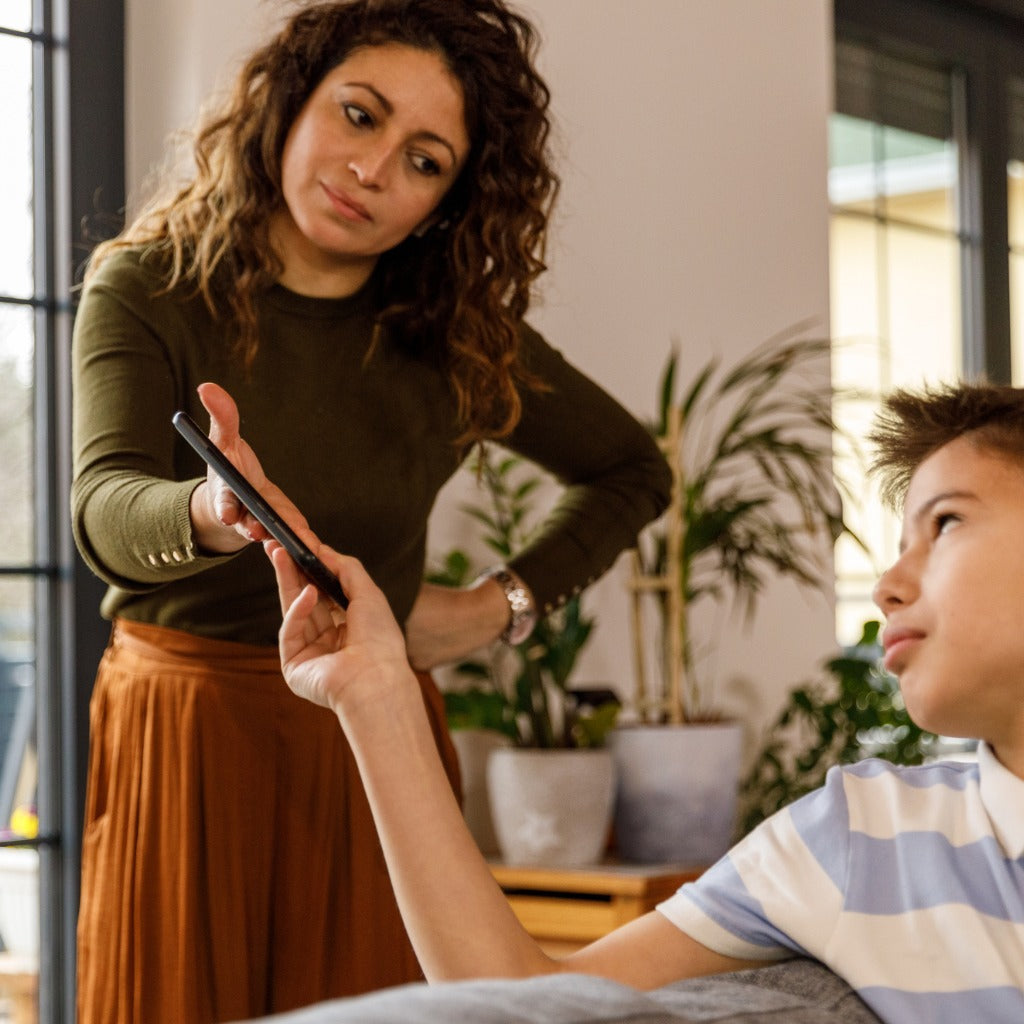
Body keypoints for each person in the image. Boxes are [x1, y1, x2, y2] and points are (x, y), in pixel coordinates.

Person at [69, 2, 672, 1021]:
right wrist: (214, 508)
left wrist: (499, 606)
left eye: (425, 159)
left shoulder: (456, 338)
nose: (375, 167)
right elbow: (102, 512)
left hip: (368, 748)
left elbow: (630, 470)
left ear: (447, 201)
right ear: (290, 101)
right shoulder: (148, 286)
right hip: (186, 740)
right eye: (358, 114)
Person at [260, 380, 1024, 1024]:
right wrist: (376, 697)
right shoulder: (862, 838)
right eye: (898, 541)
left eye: (946, 522)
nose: (889, 584)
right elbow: (527, 998)